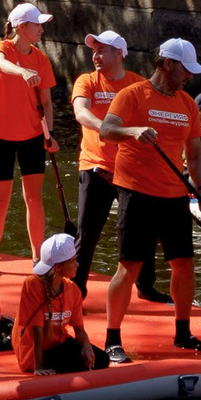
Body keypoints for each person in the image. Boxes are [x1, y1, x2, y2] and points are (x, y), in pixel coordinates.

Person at [97, 36, 201, 357]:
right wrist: (132, 131)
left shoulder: (188, 104)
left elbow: (194, 154)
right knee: (130, 267)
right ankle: (112, 340)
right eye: (185, 69)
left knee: (184, 265)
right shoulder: (132, 95)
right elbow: (106, 130)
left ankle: (183, 333)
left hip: (175, 196)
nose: (189, 76)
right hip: (136, 194)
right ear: (167, 64)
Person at [0, 3, 60, 271]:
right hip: (0, 135)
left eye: (41, 24)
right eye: (36, 24)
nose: (41, 29)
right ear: (21, 27)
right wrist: (23, 71)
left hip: (31, 136)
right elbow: (1, 64)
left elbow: (47, 103)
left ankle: (38, 259)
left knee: (34, 199)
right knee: (0, 202)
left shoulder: (41, 59)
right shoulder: (1, 48)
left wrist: (48, 134)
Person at [67, 30, 143, 294]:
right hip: (94, 166)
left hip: (129, 170)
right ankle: (76, 290)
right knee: (86, 235)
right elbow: (81, 112)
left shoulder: (137, 85)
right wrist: (107, 129)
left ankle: (145, 286)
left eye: (101, 50)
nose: (95, 56)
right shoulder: (87, 81)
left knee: (137, 234)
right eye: (93, 51)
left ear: (119, 53)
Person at [13, 233, 97, 374]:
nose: (78, 264)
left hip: (58, 345)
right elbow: (37, 330)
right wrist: (39, 367)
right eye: (73, 261)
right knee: (77, 365)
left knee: (100, 359)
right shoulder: (32, 284)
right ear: (59, 267)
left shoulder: (73, 289)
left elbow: (79, 329)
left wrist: (86, 345)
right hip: (35, 353)